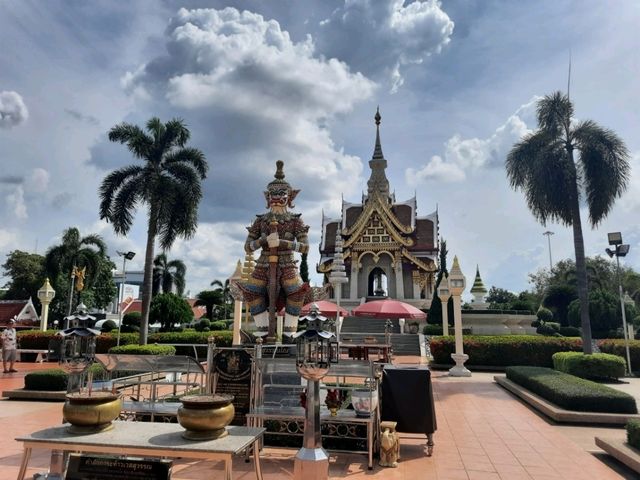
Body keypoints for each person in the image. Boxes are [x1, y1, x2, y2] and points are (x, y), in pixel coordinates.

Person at [240, 160, 310, 339]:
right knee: (251, 292)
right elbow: (248, 247)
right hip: (263, 262)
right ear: (267, 196)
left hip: (287, 262)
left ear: (290, 196)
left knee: (296, 293)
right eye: (273, 194)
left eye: (281, 193)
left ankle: (289, 334)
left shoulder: (295, 221)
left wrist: (282, 242)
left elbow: (305, 247)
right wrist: (263, 240)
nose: (276, 197)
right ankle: (263, 333)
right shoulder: (261, 221)